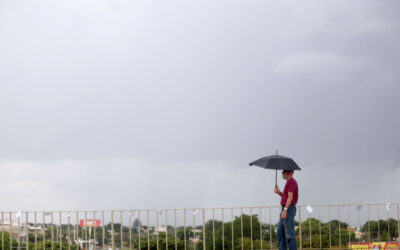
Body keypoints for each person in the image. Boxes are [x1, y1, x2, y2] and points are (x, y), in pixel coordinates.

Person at [274, 169, 299, 250]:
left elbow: (290, 197)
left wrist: (285, 210)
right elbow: (286, 197)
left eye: (283, 171)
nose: (282, 173)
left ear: (289, 172)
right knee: (280, 231)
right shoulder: (289, 182)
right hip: (286, 208)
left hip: (288, 209)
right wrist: (279, 192)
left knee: (289, 234)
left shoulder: (291, 182)